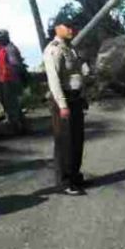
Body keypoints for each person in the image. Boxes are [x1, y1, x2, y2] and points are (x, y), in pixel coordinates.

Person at [43, 17, 87, 196]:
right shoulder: (53, 49)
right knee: (65, 142)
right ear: (57, 29)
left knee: (77, 140)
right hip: (64, 100)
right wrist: (62, 104)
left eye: (73, 26)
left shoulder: (70, 48)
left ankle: (75, 175)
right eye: (67, 27)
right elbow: (54, 80)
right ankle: (64, 181)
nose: (71, 30)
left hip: (75, 98)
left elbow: (78, 72)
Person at [0, 29, 26, 135]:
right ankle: (15, 125)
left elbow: (15, 65)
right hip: (3, 79)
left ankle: (18, 127)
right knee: (9, 104)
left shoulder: (10, 49)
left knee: (12, 104)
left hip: (9, 80)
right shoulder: (1, 49)